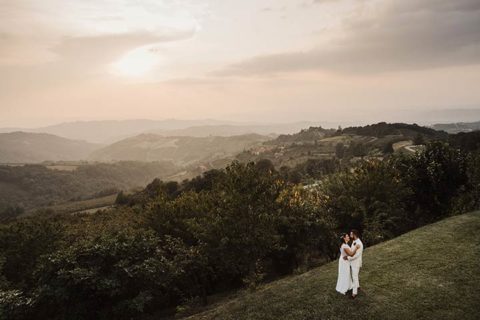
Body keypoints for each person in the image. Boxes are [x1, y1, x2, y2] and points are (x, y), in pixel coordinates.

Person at [343, 229, 363, 299]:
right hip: (353, 263)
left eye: (351, 234)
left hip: (356, 263)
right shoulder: (354, 241)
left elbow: (356, 255)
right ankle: (358, 286)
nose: (350, 235)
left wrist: (347, 258)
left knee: (354, 277)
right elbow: (352, 251)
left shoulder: (359, 243)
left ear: (354, 234)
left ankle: (354, 294)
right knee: (355, 275)